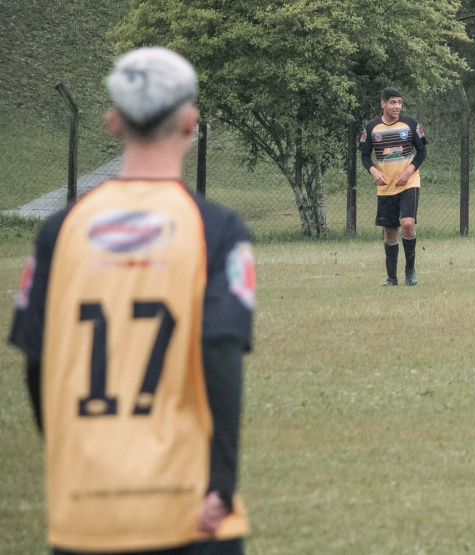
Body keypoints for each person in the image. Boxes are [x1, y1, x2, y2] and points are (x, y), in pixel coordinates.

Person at [8, 47, 254, 555]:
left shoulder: (60, 231)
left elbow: (37, 362)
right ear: (191, 121)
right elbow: (220, 356)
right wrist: (221, 483)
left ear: (113, 122)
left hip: (86, 510)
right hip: (184, 507)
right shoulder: (217, 230)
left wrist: (69, 453)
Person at [359, 88, 428, 286]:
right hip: (386, 185)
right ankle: (392, 278)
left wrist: (409, 171)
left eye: (399, 102)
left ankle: (410, 270)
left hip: (409, 182)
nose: (397, 106)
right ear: (383, 104)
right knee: (390, 232)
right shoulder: (372, 127)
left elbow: (422, 151)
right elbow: (364, 155)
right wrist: (373, 171)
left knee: (407, 223)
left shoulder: (410, 124)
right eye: (392, 102)